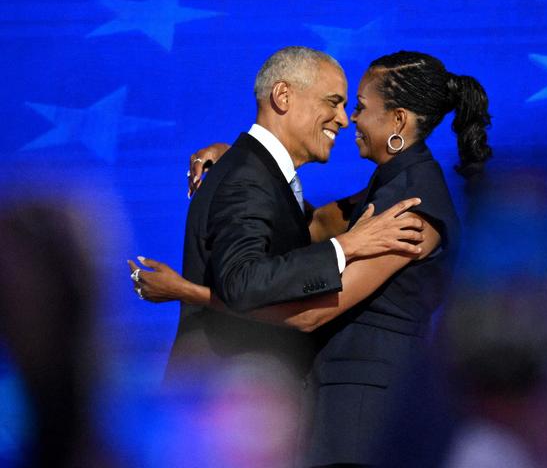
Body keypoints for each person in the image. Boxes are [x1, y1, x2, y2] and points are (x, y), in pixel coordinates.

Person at [133, 50, 492, 466]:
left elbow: (310, 315)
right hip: (337, 404)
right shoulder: (391, 186)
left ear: (398, 122)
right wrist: (246, 157)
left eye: (358, 107)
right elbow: (314, 221)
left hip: (363, 413)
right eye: (340, 105)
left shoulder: (409, 207)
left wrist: (192, 291)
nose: (348, 119)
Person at [129, 46, 425, 388]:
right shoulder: (247, 176)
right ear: (283, 96)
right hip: (227, 406)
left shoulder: (257, 173)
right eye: (333, 102)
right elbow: (242, 282)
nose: (344, 119)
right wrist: (346, 247)